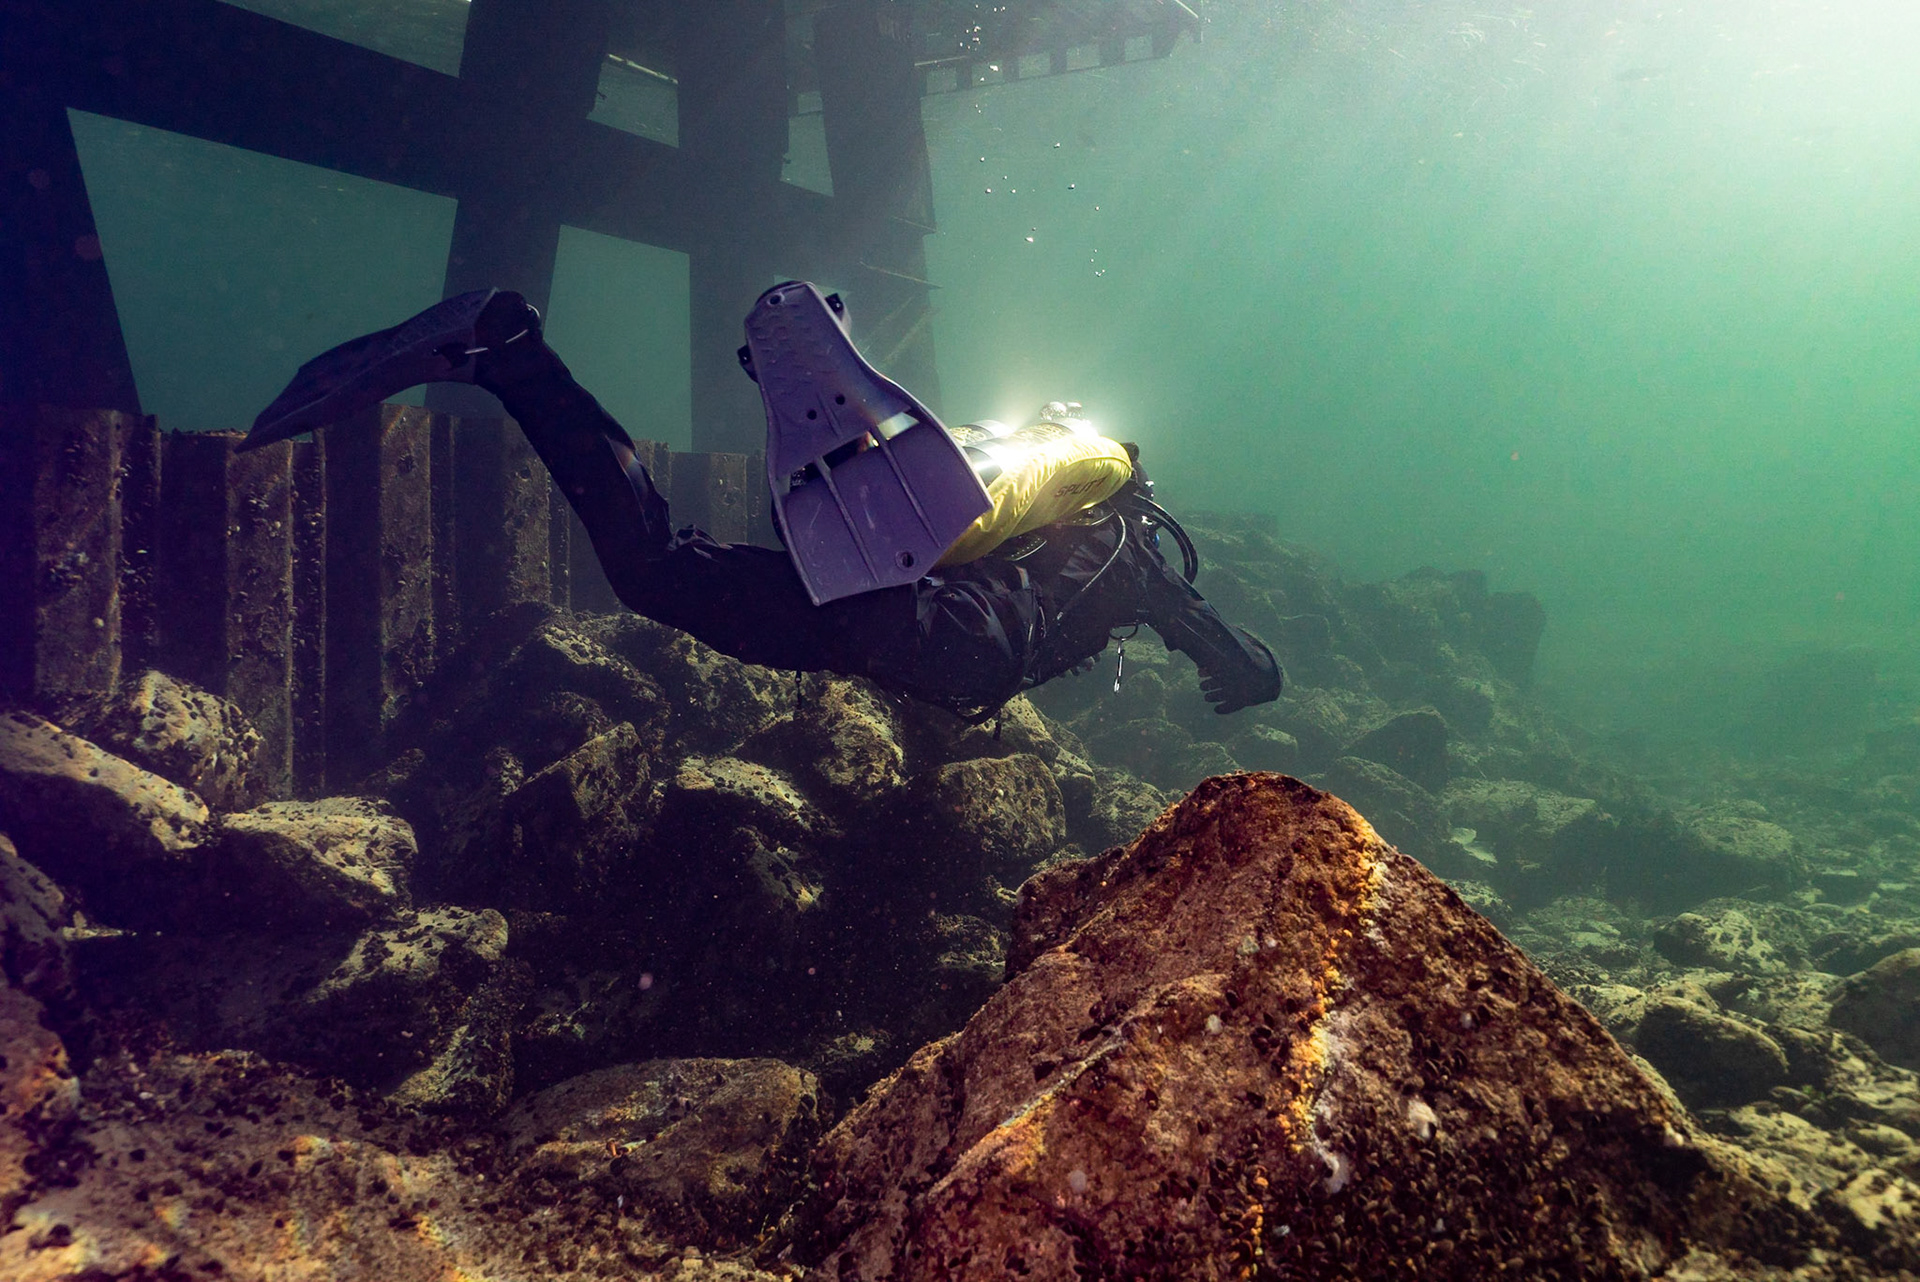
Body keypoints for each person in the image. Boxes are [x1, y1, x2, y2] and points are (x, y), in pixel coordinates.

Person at [245, 284, 1282, 720]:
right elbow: (1246, 663)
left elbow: (971, 496)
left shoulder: (1030, 503)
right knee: (672, 578)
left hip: (869, 604)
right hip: (941, 643)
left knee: (657, 571)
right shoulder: (1135, 556)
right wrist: (1238, 679)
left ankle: (510, 353)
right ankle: (829, 433)